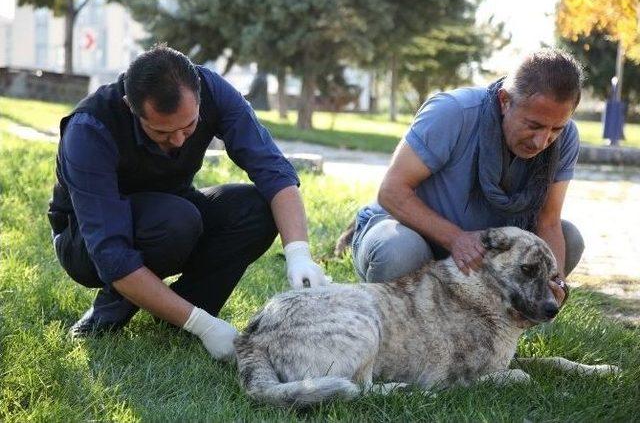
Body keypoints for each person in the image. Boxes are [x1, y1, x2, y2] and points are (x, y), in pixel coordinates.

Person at [47, 44, 328, 360]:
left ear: (199, 96)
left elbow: (274, 172)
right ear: (130, 107)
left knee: (256, 209)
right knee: (174, 221)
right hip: (84, 240)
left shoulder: (212, 90)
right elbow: (110, 253)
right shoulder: (90, 129)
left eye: (189, 126)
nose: (180, 141)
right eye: (162, 133)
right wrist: (205, 326)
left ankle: (179, 316)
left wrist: (299, 254)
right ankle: (115, 313)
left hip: (172, 209)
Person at [349, 48, 584, 303]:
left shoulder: (567, 138)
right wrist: (457, 239)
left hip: (482, 254)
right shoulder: (453, 112)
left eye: (556, 129)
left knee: (569, 239)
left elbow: (548, 221)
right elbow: (391, 192)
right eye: (533, 125)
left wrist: (554, 282)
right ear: (505, 101)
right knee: (400, 253)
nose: (542, 141)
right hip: (413, 234)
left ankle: (495, 323)